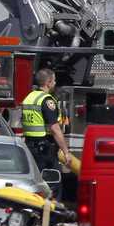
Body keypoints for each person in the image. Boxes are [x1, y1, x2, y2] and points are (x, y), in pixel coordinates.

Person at [22, 68, 71, 196]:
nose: (55, 84)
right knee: (52, 184)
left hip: (30, 147)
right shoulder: (47, 101)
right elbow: (54, 129)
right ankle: (50, 213)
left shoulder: (29, 97)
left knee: (34, 184)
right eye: (54, 81)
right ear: (48, 82)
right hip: (45, 150)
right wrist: (66, 152)